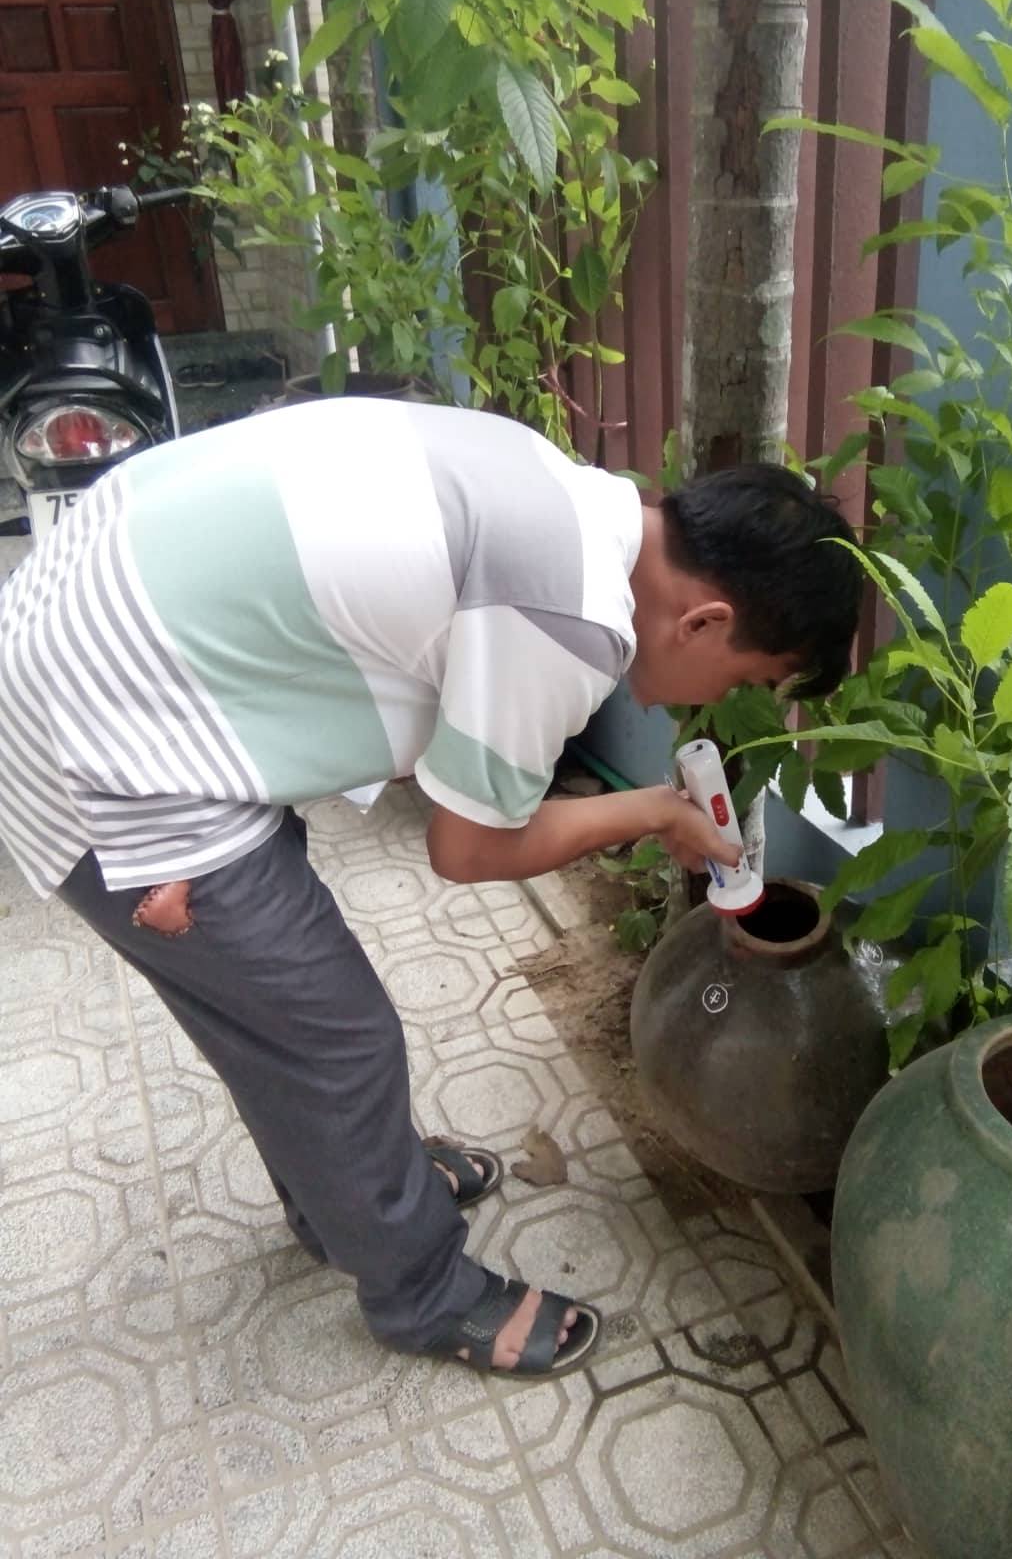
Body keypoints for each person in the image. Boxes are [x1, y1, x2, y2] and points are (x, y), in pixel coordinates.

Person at [0, 398, 861, 1380]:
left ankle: (347, 1201)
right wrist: (659, 813)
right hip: (98, 738)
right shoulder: (567, 618)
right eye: (745, 676)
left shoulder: (569, 495)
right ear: (706, 619)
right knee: (332, 1036)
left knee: (276, 1018)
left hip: (92, 614)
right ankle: (420, 1293)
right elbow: (471, 847)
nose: (719, 697)